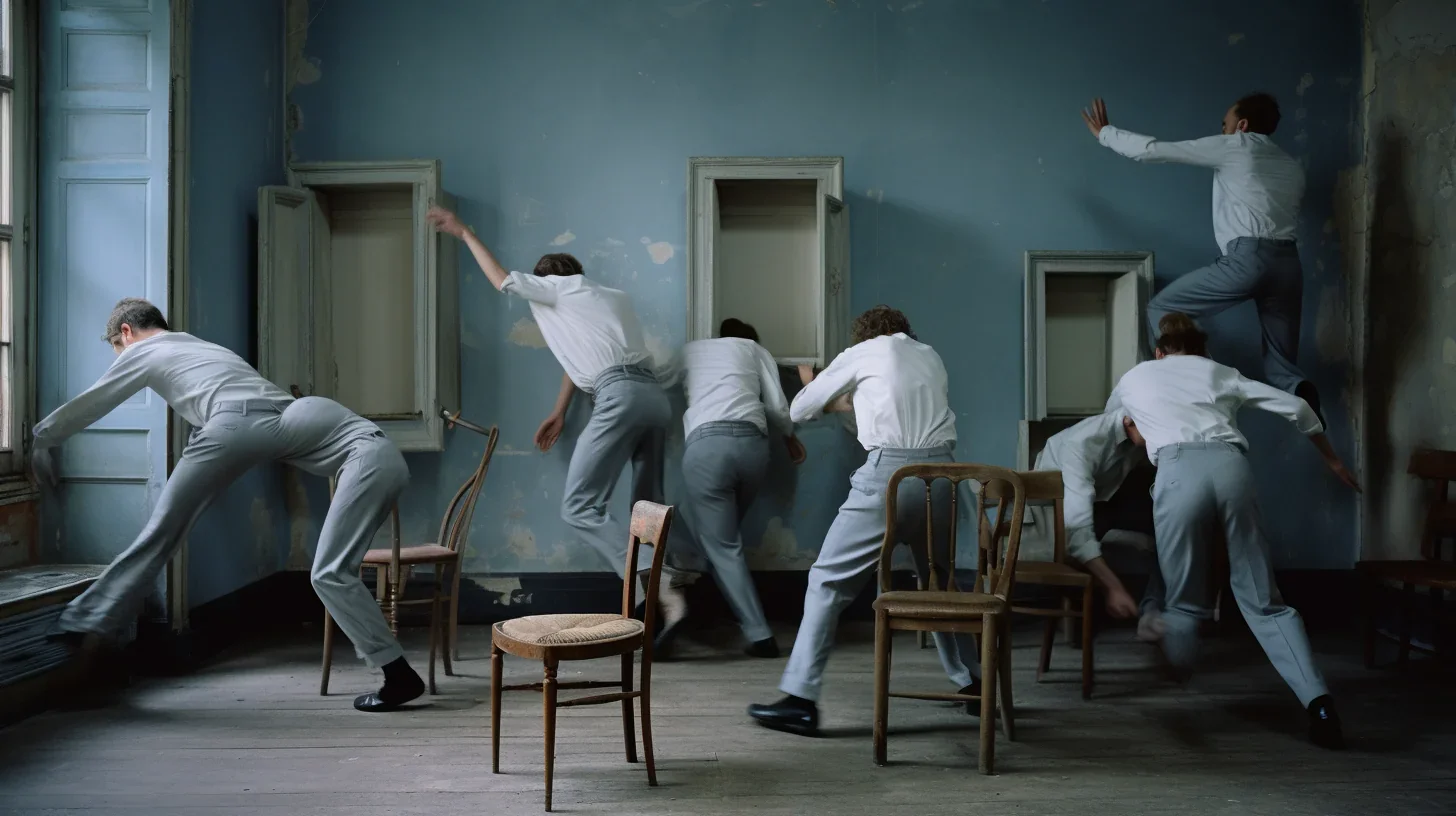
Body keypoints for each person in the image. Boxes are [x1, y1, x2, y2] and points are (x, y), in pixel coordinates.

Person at [33, 298, 422, 712]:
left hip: (252, 427)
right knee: (329, 572)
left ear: (125, 333)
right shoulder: (202, 348)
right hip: (340, 443)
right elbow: (251, 417)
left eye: (117, 349)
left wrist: (44, 437)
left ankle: (86, 619)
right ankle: (397, 674)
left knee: (167, 529)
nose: (120, 357)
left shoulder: (144, 348)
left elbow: (99, 397)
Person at [427, 206, 694, 631]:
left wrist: (462, 232)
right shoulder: (607, 297)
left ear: (549, 279)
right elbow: (583, 356)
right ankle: (661, 601)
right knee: (646, 508)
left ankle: (660, 578)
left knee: (580, 507)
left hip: (619, 395)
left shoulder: (555, 288)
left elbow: (501, 280)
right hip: (653, 399)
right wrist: (559, 410)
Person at [1107, 312, 1359, 749]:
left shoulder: (1136, 376)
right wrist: (1332, 459)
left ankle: (1178, 672)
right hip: (1230, 468)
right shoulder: (1221, 372)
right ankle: (1319, 704)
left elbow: (1114, 432)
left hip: (1178, 473)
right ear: (1201, 350)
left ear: (1159, 352)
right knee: (1265, 603)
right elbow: (1297, 407)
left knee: (1182, 599)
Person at [747, 306, 979, 736]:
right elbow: (888, 407)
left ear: (864, 336)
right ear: (905, 332)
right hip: (945, 476)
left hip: (891, 477)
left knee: (826, 581)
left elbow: (800, 411)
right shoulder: (929, 355)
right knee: (939, 581)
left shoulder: (864, 352)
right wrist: (848, 402)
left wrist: (812, 382)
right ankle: (973, 683)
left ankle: (800, 698)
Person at [1081, 93, 1324, 420]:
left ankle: (1190, 380)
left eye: (1224, 125)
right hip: (1288, 267)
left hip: (1248, 260)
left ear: (1242, 125)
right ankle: (1304, 395)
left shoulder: (1237, 146)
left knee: (1163, 307)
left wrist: (1106, 134)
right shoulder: (1291, 166)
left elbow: (1155, 150)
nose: (1222, 131)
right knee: (1282, 366)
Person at [659, 318, 806, 658]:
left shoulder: (691, 351)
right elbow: (778, 406)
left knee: (718, 541)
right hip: (753, 449)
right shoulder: (755, 350)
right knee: (721, 537)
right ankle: (704, 609)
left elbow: (660, 379)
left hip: (707, 447)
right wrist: (789, 437)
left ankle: (759, 635)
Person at [1030, 412, 1166, 640]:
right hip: (1056, 511)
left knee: (1170, 523)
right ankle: (1087, 614)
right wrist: (1114, 588)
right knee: (1080, 542)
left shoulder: (1138, 429)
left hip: (1103, 498)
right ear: (1128, 421)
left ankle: (1153, 608)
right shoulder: (1081, 445)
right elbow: (1077, 531)